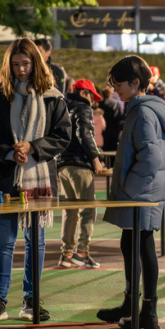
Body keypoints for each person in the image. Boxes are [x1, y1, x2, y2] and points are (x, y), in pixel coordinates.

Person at [0, 38, 70, 322]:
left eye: (26, 64)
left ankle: (32, 301)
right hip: (6, 177)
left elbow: (63, 137)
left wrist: (33, 148)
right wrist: (9, 152)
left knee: (36, 241)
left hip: (38, 176)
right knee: (4, 241)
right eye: (15, 64)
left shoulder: (54, 97)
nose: (20, 70)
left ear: (36, 63)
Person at [97, 56, 165, 329]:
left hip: (141, 194)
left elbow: (151, 157)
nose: (115, 88)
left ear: (135, 83)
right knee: (134, 245)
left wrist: (129, 188)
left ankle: (146, 311)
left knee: (142, 247)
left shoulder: (142, 112)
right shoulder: (140, 109)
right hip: (142, 192)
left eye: (118, 84)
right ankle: (136, 307)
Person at [57, 78, 104, 269]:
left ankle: (66, 254)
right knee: (88, 209)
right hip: (79, 164)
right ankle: (82, 252)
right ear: (84, 93)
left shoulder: (62, 107)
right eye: (91, 96)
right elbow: (84, 133)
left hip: (62, 164)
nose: (92, 101)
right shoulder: (83, 108)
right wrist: (95, 158)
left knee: (70, 211)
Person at [98, 83, 124, 152]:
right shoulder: (116, 104)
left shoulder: (99, 104)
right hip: (114, 131)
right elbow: (120, 118)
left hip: (103, 131)